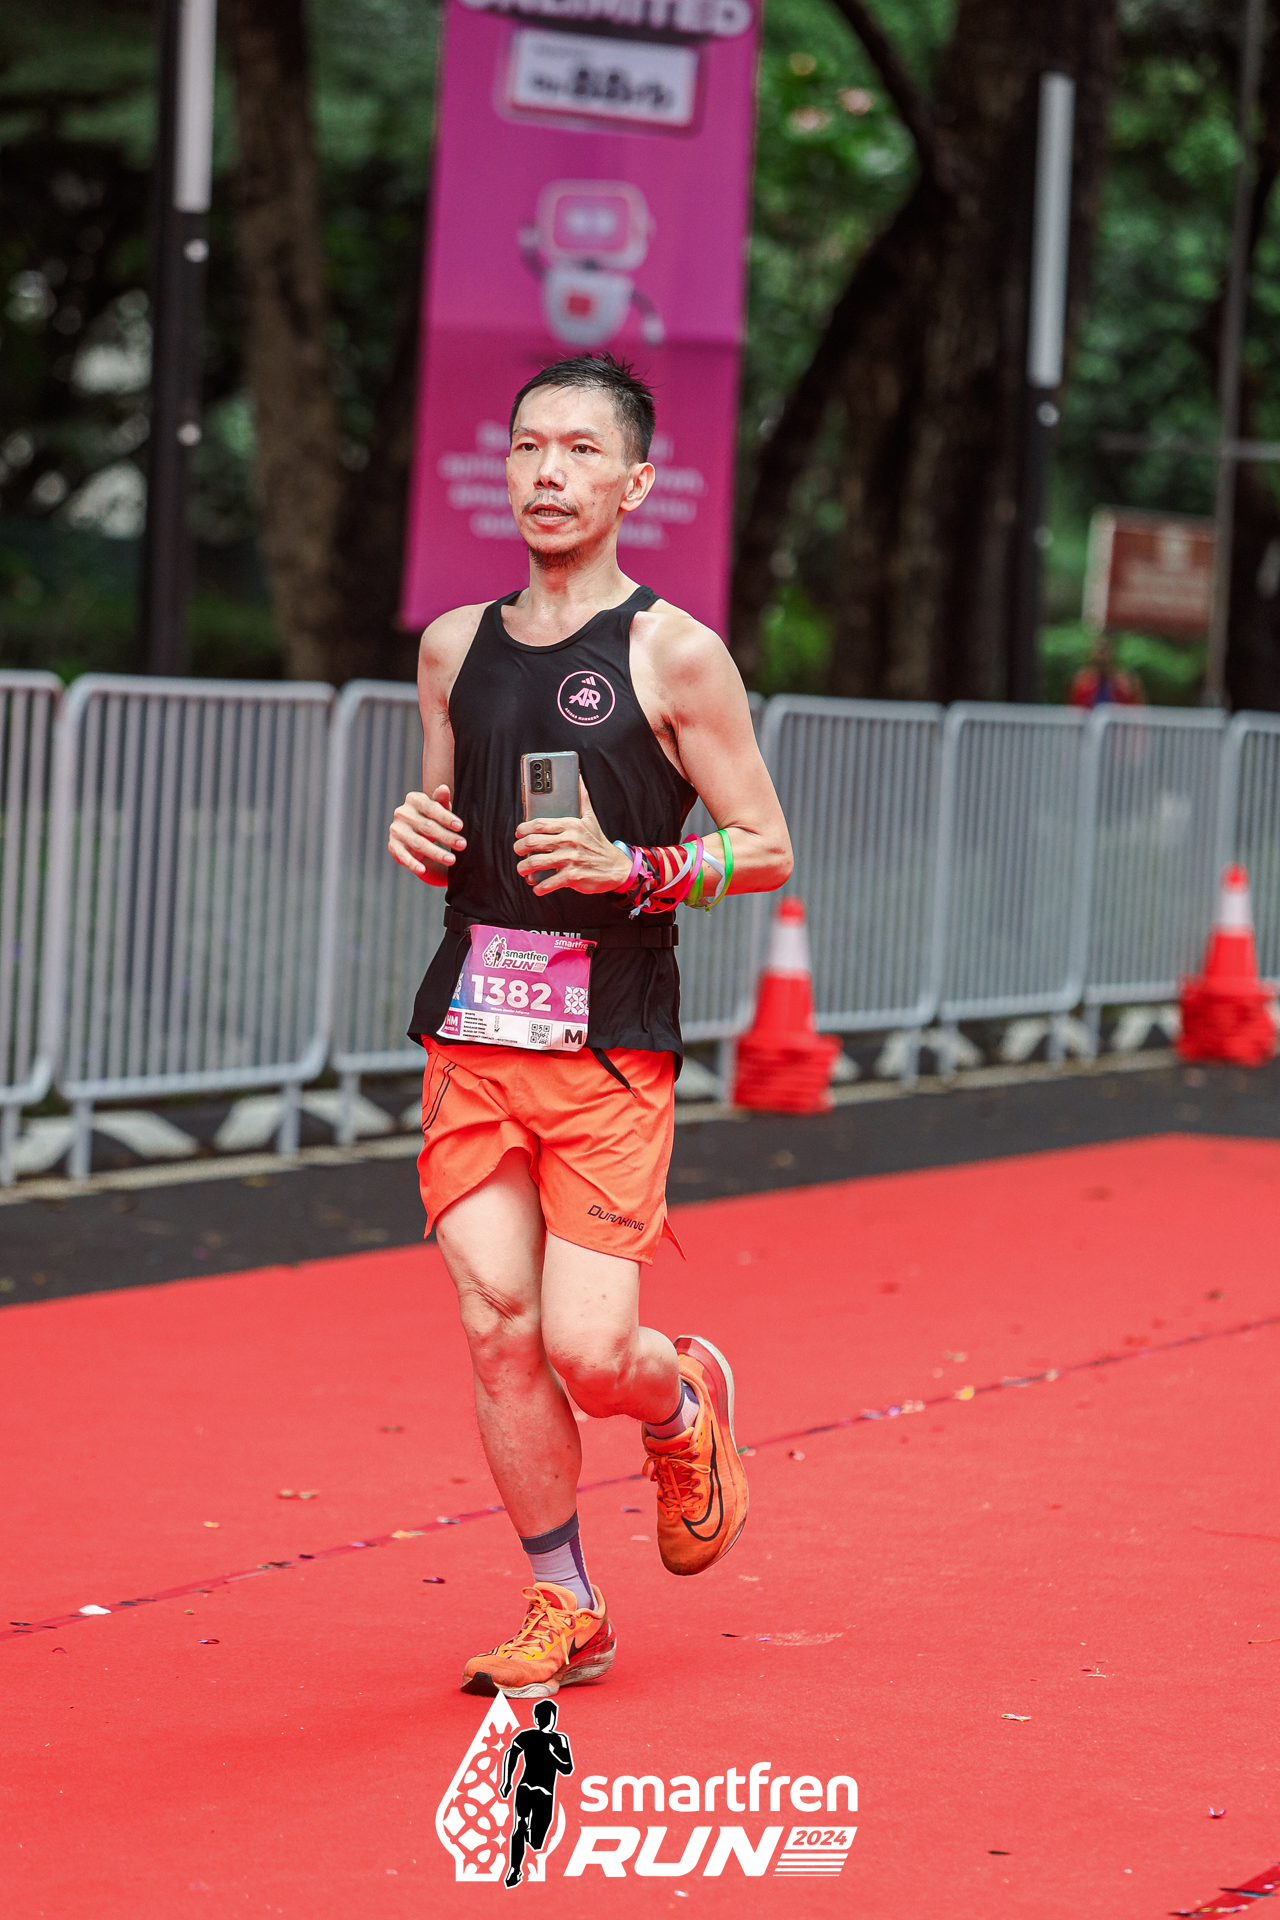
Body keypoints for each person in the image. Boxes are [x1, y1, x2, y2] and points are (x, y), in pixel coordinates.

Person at [388, 351, 792, 1698]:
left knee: (586, 1349)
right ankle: (565, 1600)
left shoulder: (675, 652)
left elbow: (765, 847)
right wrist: (417, 833)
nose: (548, 474)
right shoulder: (453, 647)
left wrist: (636, 867)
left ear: (636, 482)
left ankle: (678, 1402)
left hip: (609, 1039)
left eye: (578, 451)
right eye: (526, 448)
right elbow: (451, 832)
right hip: (472, 1030)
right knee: (497, 1325)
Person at [499, 1698, 573, 1887]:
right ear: (539, 1718)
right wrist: (507, 1781)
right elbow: (511, 1754)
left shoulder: (558, 1739)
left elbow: (567, 1769)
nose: (547, 1719)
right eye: (545, 1716)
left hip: (539, 1792)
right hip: (530, 1788)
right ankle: (515, 1868)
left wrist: (551, 1755)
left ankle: (526, 1839)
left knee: (535, 1839)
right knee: (520, 1825)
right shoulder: (530, 1736)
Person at [1069, 635, 1144, 708]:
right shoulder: (1082, 682)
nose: (1102, 657)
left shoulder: (1126, 684)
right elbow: (1074, 708)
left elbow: (1136, 709)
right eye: (1100, 652)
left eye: (1105, 651)